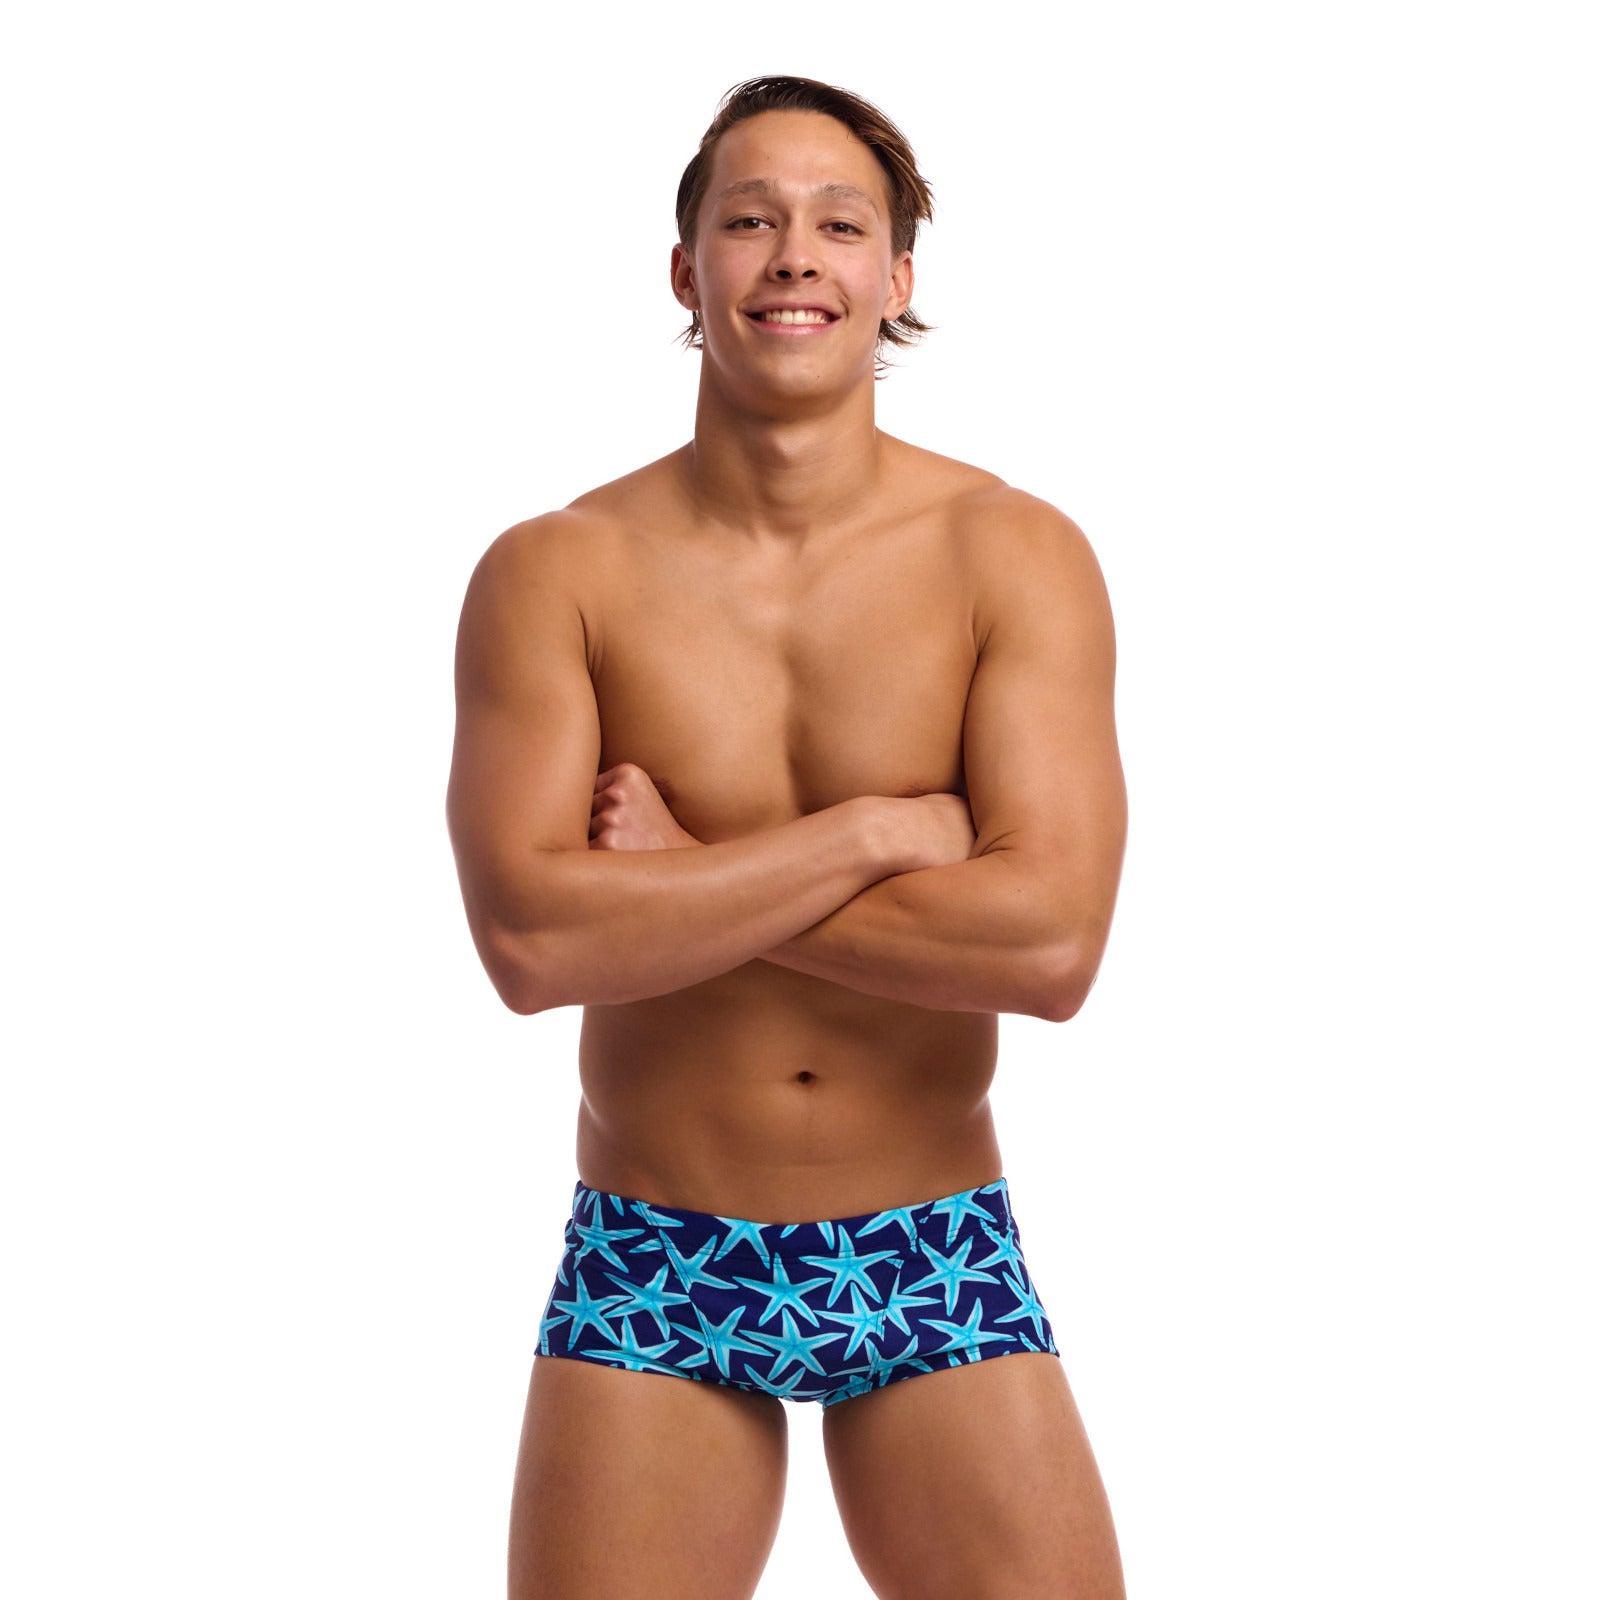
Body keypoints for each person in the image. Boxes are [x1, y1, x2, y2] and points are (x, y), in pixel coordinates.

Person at [446, 74, 1129, 1600]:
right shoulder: (558, 572)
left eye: (840, 224)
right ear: (685, 271)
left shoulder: (1012, 554)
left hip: (927, 1242)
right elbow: (535, 942)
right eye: (749, 221)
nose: (795, 256)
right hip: (658, 1250)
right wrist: (880, 832)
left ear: (898, 278)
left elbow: (1050, 946)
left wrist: (683, 879)